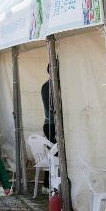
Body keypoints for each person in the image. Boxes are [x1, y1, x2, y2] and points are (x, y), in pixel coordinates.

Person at [41, 64, 56, 193]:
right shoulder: (47, 86)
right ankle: (47, 183)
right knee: (53, 155)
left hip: (54, 125)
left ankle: (51, 183)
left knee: (54, 155)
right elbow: (51, 108)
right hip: (51, 125)